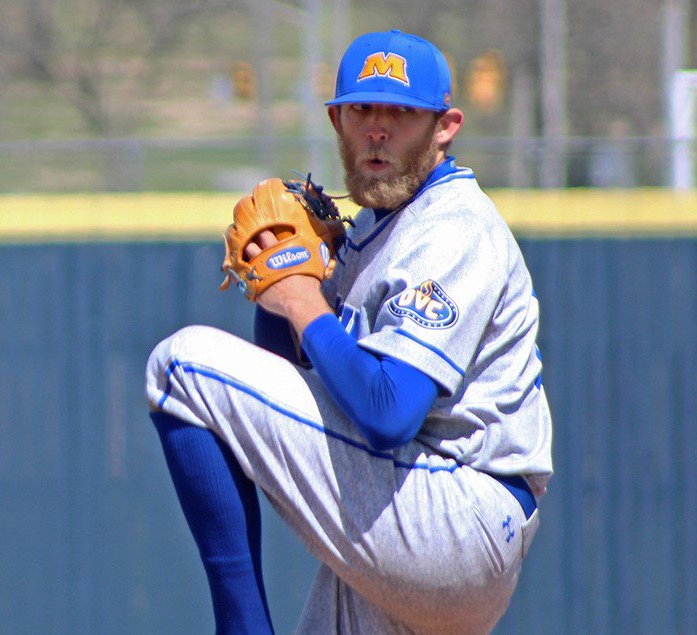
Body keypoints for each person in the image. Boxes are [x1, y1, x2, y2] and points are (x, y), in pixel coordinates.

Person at [146, 29, 552, 634]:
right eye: (363, 109)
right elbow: (289, 385)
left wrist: (303, 299)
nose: (378, 129)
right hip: (411, 512)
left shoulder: (453, 226)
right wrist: (282, 286)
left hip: (456, 511)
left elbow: (389, 414)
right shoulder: (370, 232)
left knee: (181, 367)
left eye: (401, 113)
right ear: (337, 120)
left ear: (445, 127)